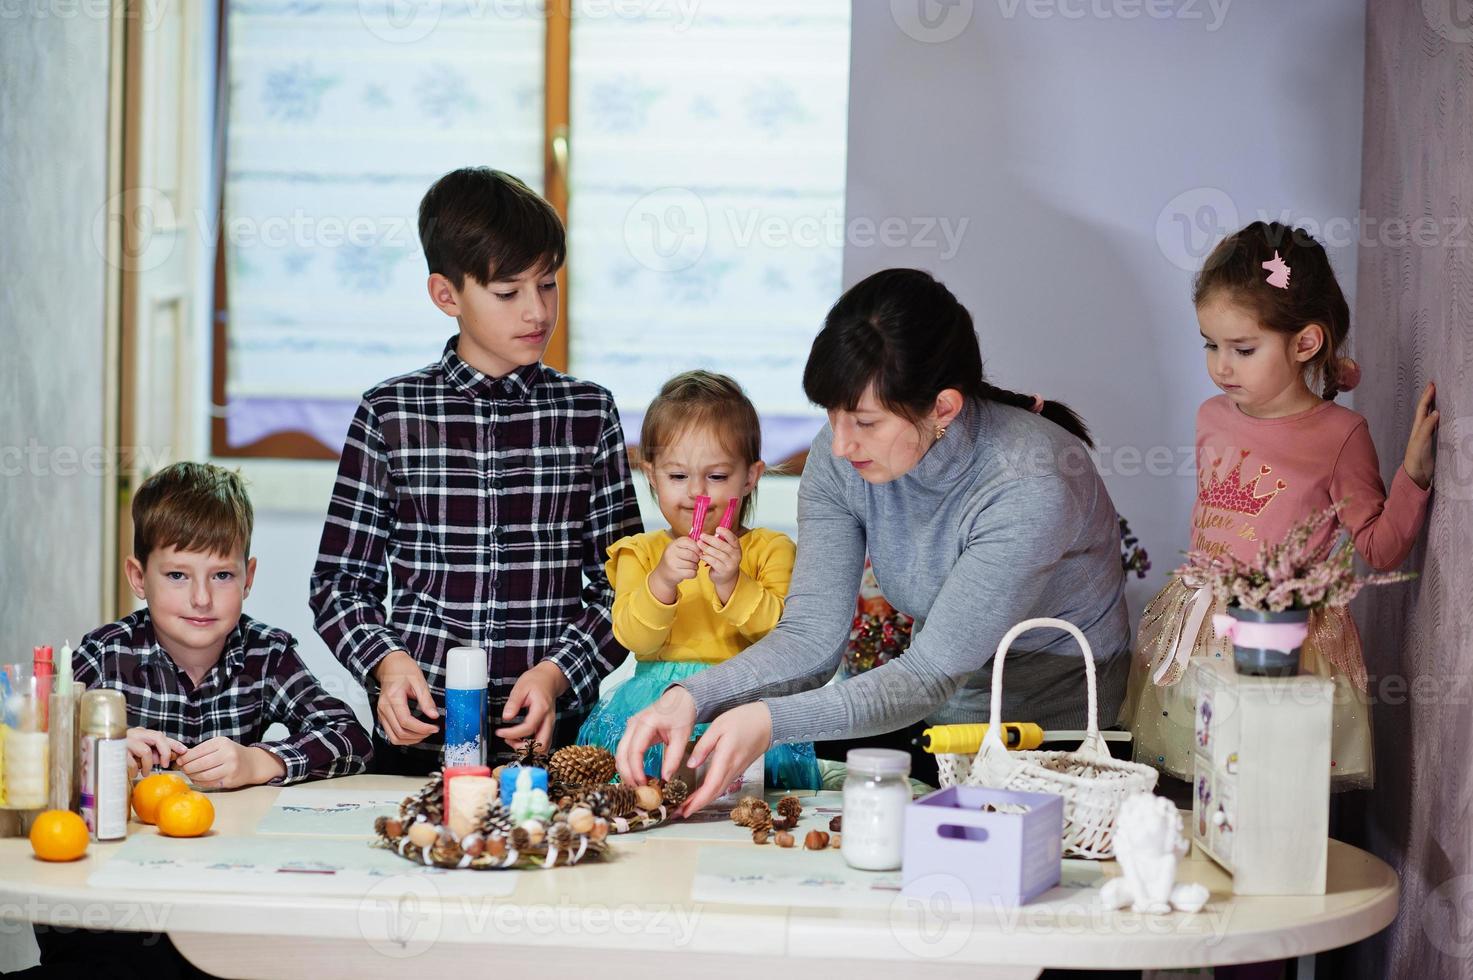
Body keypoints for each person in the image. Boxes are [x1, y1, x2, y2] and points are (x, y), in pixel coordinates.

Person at [615, 268, 1131, 814]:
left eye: (863, 421)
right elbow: (811, 638)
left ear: (944, 408)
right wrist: (689, 699)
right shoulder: (844, 462)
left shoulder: (1028, 482)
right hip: (942, 726)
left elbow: (928, 672)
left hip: (1060, 742)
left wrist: (769, 720)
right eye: (832, 415)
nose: (838, 445)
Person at [310, 167, 642, 774]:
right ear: (446, 294)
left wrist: (558, 674)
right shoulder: (389, 415)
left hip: (553, 749)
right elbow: (339, 586)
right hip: (417, 746)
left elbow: (624, 588)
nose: (537, 311)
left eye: (548, 285)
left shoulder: (589, 413)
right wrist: (386, 664)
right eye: (508, 292)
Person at [1123, 222, 1437, 790]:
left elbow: (1379, 547)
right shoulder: (1211, 417)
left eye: (1243, 349)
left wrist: (1413, 477)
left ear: (1305, 342)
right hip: (1197, 632)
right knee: (1193, 791)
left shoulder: (1339, 434)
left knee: (1269, 789)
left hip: (1282, 639)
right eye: (1210, 345)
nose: (1222, 366)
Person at [33, 462, 371, 980]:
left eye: (222, 575)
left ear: (249, 578)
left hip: (222, 899)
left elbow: (349, 736)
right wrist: (99, 752)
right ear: (137, 577)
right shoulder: (104, 657)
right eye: (176, 575)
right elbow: (39, 750)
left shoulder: (266, 654)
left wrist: (260, 761)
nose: (201, 598)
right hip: (113, 910)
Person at [577, 371, 821, 789]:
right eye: (677, 477)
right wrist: (662, 582)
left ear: (750, 476)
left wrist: (733, 583)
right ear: (651, 475)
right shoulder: (639, 553)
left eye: (716, 477)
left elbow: (784, 641)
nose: (695, 494)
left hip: (745, 707)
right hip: (656, 706)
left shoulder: (770, 550)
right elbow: (636, 639)